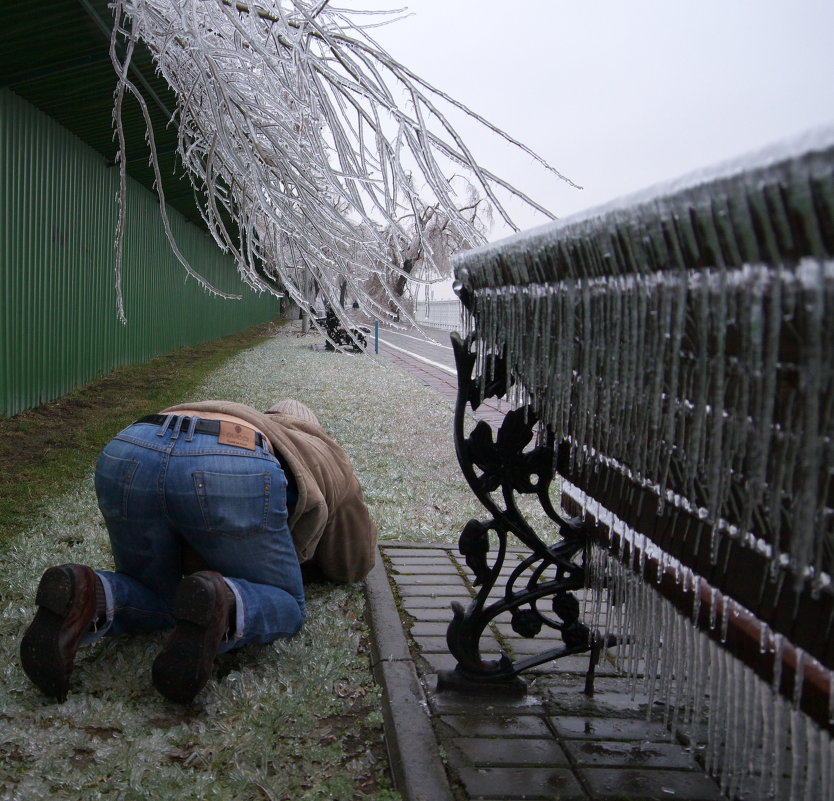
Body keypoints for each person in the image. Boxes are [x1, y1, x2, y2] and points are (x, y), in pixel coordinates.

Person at [19, 399, 377, 704]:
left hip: (132, 443)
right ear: (315, 426)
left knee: (154, 593)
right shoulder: (327, 451)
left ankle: (89, 593)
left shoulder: (244, 414)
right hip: (230, 460)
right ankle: (226, 602)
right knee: (287, 603)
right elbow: (352, 565)